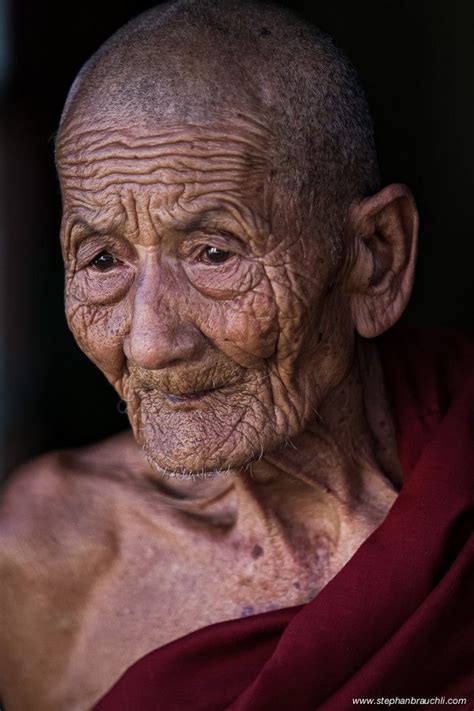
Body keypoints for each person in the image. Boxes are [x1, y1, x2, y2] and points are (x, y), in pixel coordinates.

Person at [0, 1, 472, 709]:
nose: (151, 342)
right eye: (102, 260)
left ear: (376, 258)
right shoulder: (50, 550)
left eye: (215, 252)